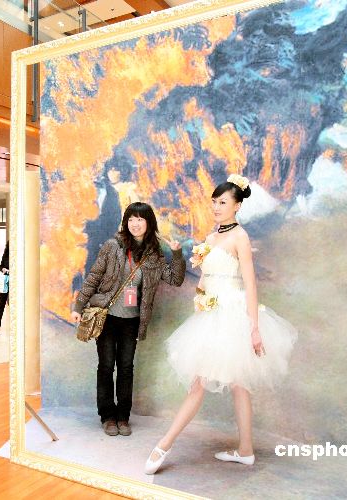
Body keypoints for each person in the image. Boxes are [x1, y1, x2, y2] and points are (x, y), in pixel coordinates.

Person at [145, 174, 297, 474]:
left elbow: (250, 284)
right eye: (214, 202)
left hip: (233, 315)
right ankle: (246, 451)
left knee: (213, 384)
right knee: (234, 385)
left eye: (223, 202)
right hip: (211, 314)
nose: (216, 207)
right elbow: (205, 276)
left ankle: (163, 445)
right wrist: (200, 296)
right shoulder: (212, 236)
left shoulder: (240, 237)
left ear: (237, 206)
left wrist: (254, 328)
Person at [71, 202, 186, 437]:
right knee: (106, 366)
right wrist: (79, 305)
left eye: (140, 219)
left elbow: (175, 279)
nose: (135, 223)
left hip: (132, 320)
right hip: (106, 317)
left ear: (149, 223)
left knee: (126, 368)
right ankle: (107, 417)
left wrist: (176, 254)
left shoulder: (154, 255)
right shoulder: (113, 246)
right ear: (126, 222)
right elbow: (94, 277)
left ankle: (123, 417)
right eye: (131, 219)